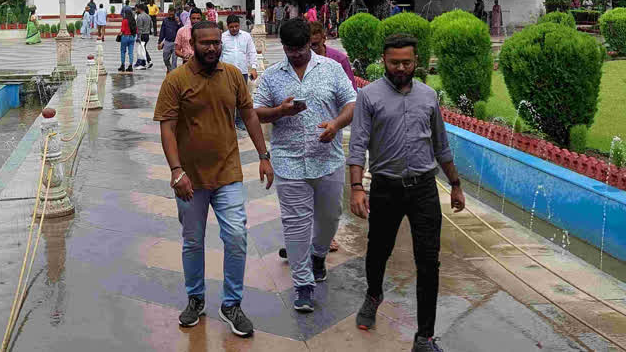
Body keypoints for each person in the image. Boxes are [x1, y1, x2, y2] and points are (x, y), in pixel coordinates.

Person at [155, 21, 274, 338]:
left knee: (236, 237)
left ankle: (232, 303)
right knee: (193, 241)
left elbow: (248, 114)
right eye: (205, 43)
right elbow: (167, 127)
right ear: (192, 43)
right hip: (189, 180)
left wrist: (264, 156)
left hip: (227, 173)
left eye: (216, 42)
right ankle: (195, 299)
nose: (211, 48)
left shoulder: (233, 75)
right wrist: (176, 170)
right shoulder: (176, 80)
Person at [348, 34, 465, 352]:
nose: (400, 67)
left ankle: (424, 336)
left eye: (407, 62)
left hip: (424, 189)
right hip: (385, 188)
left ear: (417, 61)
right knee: (378, 251)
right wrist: (357, 187)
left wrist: (455, 184)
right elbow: (358, 144)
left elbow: (440, 144)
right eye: (394, 62)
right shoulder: (368, 96)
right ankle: (373, 294)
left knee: (428, 262)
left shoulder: (429, 96)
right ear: (383, 60)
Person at [254, 18, 356, 313]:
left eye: (301, 48)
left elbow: (351, 102)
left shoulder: (331, 69)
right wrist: (280, 111)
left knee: (329, 217)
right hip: (289, 162)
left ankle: (319, 254)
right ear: (282, 47)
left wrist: (336, 124)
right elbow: (257, 112)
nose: (296, 54)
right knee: (296, 225)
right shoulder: (273, 76)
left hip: (328, 159)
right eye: (290, 49)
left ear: (309, 44)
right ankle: (303, 284)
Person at [309, 20, 353, 85]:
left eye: (314, 44)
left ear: (324, 39)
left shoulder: (340, 59)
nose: (310, 48)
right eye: (307, 44)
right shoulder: (300, 60)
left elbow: (351, 88)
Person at [220, 14, 258, 85]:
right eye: (231, 27)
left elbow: (251, 52)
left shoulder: (246, 36)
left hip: (242, 72)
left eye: (236, 26)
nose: (234, 28)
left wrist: (254, 68)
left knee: (242, 94)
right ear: (227, 26)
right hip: (227, 73)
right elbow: (220, 55)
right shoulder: (222, 37)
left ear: (239, 25)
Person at [158, 6, 182, 71]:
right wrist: (159, 42)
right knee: (165, 58)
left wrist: (179, 23)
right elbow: (162, 31)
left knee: (174, 60)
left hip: (176, 43)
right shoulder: (165, 20)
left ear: (174, 13)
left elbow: (181, 30)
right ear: (168, 13)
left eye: (172, 14)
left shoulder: (178, 20)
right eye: (169, 14)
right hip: (167, 42)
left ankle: (173, 72)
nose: (171, 16)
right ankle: (169, 68)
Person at [135, 4, 155, 70]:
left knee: (142, 49)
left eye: (136, 9)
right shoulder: (148, 16)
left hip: (142, 34)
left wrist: (138, 37)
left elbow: (139, 28)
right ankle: (143, 62)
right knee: (143, 48)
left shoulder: (140, 16)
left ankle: (148, 61)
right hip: (147, 34)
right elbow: (151, 25)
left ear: (139, 9)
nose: (136, 10)